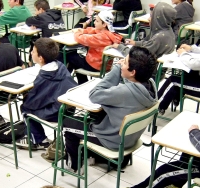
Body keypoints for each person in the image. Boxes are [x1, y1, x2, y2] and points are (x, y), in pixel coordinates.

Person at [62, 46, 158, 174]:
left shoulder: (124, 92)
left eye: (125, 61)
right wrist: (123, 69)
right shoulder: (150, 84)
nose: (121, 62)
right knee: (95, 113)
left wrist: (117, 69)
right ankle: (97, 156)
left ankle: (74, 167)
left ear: (133, 72)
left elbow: (94, 95)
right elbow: (130, 86)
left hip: (113, 140)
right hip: (129, 137)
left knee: (67, 123)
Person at [17, 38, 77, 151]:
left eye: (33, 51)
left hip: (55, 113)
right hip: (68, 108)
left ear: (40, 58)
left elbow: (34, 102)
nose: (31, 53)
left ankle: (38, 140)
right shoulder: (60, 65)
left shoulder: (44, 77)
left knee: (25, 108)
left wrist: (26, 96)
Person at [69, 10, 123, 83]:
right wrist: (82, 30)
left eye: (97, 21)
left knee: (70, 56)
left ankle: (68, 81)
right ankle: (82, 82)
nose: (94, 22)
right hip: (104, 65)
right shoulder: (110, 33)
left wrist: (77, 32)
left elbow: (80, 39)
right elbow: (93, 30)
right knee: (76, 60)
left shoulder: (102, 37)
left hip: (95, 65)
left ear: (104, 24)